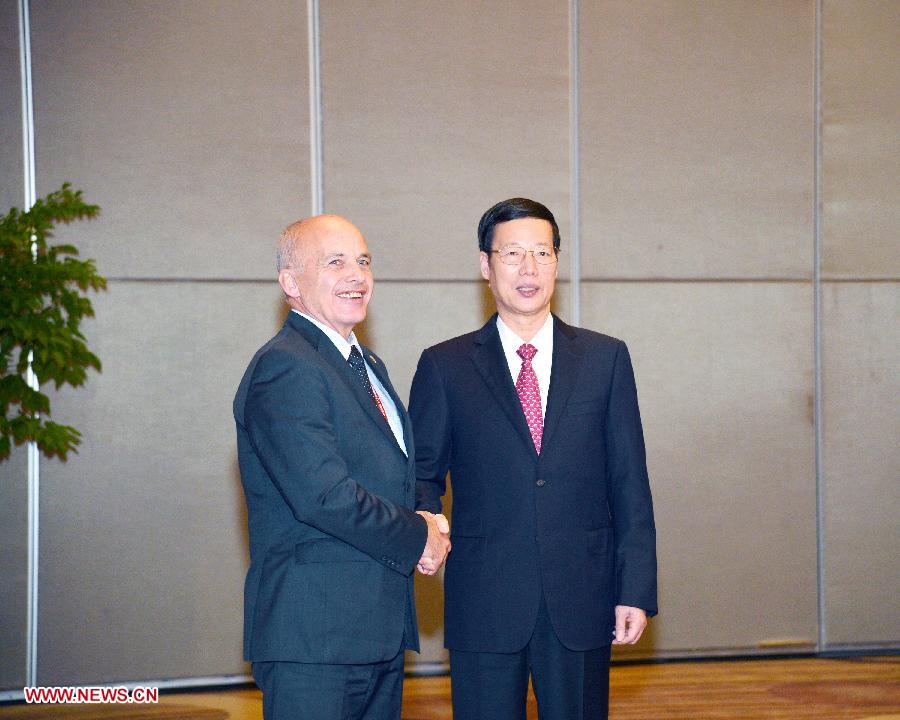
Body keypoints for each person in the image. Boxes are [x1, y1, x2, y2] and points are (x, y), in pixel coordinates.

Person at [409, 198, 657, 720]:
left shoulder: (605, 359)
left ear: (557, 263)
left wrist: (634, 587)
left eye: (542, 252)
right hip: (485, 596)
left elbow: (629, 481)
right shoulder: (445, 365)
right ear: (485, 265)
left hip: (583, 596)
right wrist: (430, 523)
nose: (528, 269)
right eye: (513, 253)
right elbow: (421, 475)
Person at [234, 214, 450, 720]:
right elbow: (323, 496)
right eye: (335, 262)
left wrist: (428, 516)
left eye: (364, 261)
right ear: (291, 282)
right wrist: (417, 534)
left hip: (375, 634)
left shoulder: (367, 365)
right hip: (314, 639)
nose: (356, 275)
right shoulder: (285, 365)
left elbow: (392, 476)